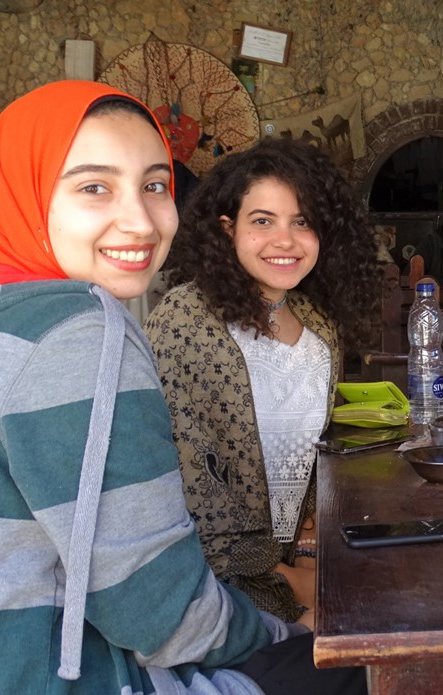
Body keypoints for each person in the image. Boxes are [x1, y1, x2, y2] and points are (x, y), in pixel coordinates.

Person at [0, 80, 364, 694]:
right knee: (368, 668)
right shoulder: (80, 332)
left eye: (153, 186)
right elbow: (156, 606)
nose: (139, 219)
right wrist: (284, 631)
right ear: (28, 191)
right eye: (95, 187)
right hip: (36, 672)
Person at [144, 138, 380, 634]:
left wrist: (312, 556)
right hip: (210, 582)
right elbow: (191, 482)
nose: (286, 241)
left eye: (302, 221)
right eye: (263, 221)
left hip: (304, 564)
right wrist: (290, 581)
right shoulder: (185, 323)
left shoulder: (320, 327)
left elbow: (318, 459)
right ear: (227, 229)